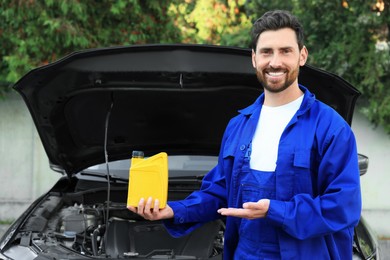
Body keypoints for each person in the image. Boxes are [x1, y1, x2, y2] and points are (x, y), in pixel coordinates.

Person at [128, 10, 362, 259]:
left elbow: (343, 207)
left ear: (302, 56)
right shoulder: (238, 126)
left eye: (285, 51)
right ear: (254, 58)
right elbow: (219, 193)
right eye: (266, 52)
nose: (275, 62)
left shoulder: (330, 128)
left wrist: (276, 210)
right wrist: (173, 211)